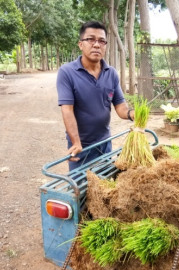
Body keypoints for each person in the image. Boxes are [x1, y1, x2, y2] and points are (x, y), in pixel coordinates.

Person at [56, 21, 134, 171]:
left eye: (102, 41)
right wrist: (76, 142)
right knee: (81, 188)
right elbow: (67, 110)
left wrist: (131, 114)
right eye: (91, 39)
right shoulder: (67, 72)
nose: (96, 45)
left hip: (104, 144)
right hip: (80, 146)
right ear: (81, 44)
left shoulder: (111, 73)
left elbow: (120, 106)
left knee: (104, 185)